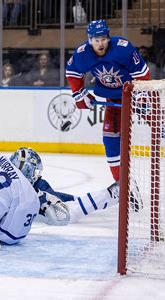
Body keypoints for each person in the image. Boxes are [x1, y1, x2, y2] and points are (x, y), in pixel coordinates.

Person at [66, 20, 150, 183]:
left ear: (108, 38)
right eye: (96, 40)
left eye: (103, 39)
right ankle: (121, 183)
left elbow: (142, 74)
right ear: (90, 40)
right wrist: (80, 94)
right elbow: (72, 72)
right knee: (110, 139)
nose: (100, 43)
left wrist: (141, 97)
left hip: (134, 93)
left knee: (163, 128)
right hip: (113, 100)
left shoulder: (123, 49)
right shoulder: (83, 54)